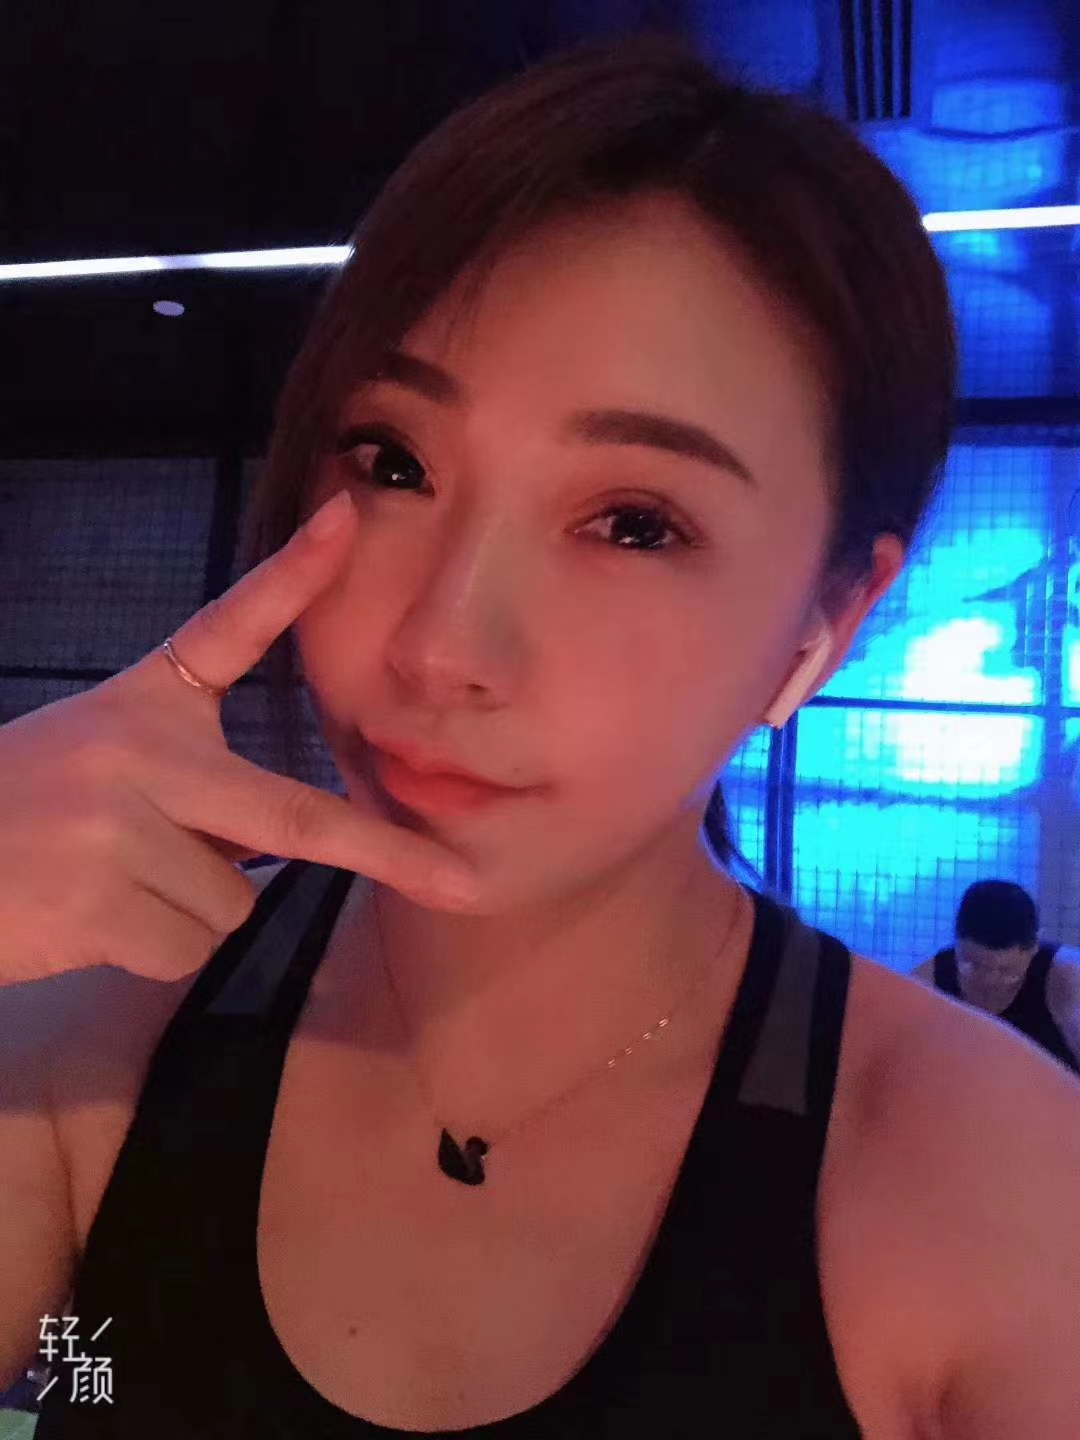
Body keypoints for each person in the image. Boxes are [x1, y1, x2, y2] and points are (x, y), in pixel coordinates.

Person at [1, 31, 1078, 1440]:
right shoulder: (98, 1044)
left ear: (825, 626)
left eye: (633, 523)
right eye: (395, 462)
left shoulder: (996, 1192)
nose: (441, 645)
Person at [914, 880, 1080, 1074]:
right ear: (956, 943)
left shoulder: (1068, 979)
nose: (989, 983)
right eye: (973, 966)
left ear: (1034, 947)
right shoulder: (926, 982)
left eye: (1006, 971)